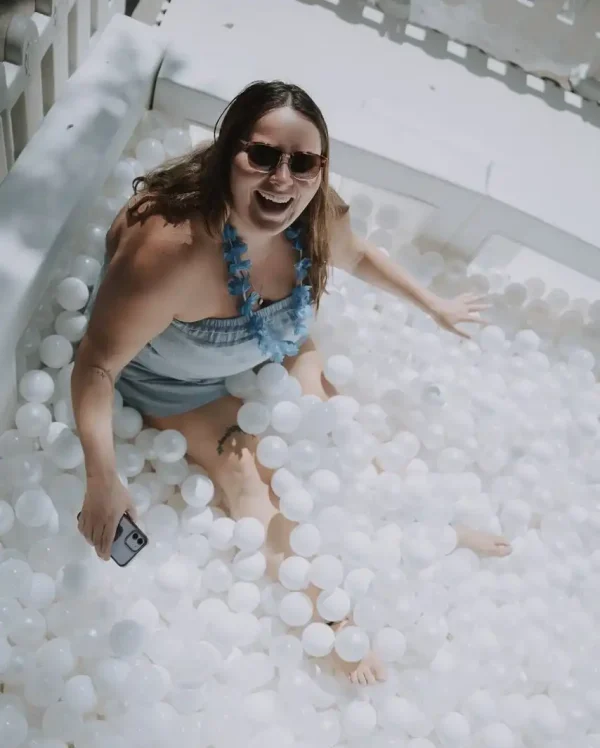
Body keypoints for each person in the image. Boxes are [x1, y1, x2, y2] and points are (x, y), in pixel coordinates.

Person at [72, 80, 510, 686]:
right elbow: (95, 366)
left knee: (339, 436)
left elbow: (357, 257)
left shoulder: (316, 212)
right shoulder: (170, 249)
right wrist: (103, 478)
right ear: (228, 152)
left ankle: (427, 529)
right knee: (246, 480)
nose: (284, 179)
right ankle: (331, 624)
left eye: (303, 163)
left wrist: (432, 303)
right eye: (263, 156)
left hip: (272, 339)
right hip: (179, 383)